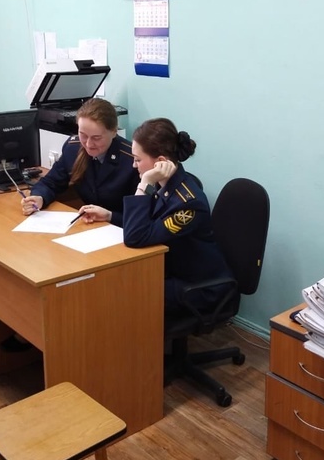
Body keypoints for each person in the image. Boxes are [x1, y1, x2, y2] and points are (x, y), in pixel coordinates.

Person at [117, 118, 233, 315]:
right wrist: (110, 216)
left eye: (137, 159)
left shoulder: (188, 204)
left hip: (198, 288)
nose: (134, 165)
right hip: (174, 273)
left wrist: (144, 183)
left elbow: (135, 237)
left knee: (128, 291)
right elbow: (147, 225)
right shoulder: (165, 185)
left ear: (160, 163)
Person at [21, 98, 138, 226]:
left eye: (96, 138)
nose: (88, 144)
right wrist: (39, 198)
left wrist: (110, 216)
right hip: (91, 226)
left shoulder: (133, 160)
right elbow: (50, 183)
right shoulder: (73, 148)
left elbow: (142, 217)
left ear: (114, 132)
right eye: (83, 135)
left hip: (122, 229)